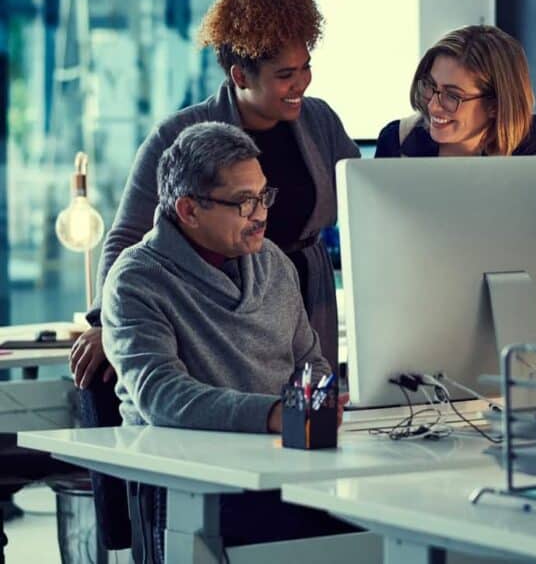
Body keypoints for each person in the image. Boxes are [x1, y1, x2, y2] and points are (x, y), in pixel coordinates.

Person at [71, 0, 359, 389]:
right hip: (213, 311)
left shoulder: (320, 121)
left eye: (306, 67)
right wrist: (107, 322)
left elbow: (361, 203)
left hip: (301, 301)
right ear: (241, 76)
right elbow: (128, 235)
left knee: (308, 417)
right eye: (285, 75)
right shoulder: (181, 135)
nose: (301, 83)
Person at [103, 122, 352, 553]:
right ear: (189, 210)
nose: (261, 214)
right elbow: (161, 396)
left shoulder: (274, 262)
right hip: (189, 480)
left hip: (281, 464)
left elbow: (310, 361)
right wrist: (274, 414)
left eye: (263, 196)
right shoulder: (136, 279)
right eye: (243, 202)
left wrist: (316, 399)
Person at [375, 25, 536, 157]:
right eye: (430, 86)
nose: (433, 106)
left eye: (452, 95)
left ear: (495, 105)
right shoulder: (395, 140)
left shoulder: (530, 141)